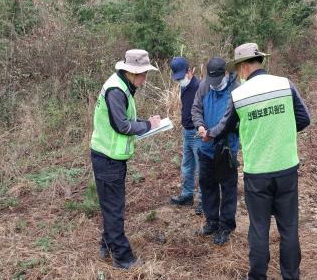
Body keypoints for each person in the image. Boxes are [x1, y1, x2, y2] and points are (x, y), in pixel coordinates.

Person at [205, 43, 310, 279]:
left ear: (243, 67)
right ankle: (291, 276)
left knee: (259, 229)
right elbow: (304, 118)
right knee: (289, 228)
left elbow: (224, 128)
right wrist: (281, 132)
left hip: (257, 174)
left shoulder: (239, 95)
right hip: (286, 169)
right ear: (259, 61)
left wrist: (209, 133)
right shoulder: (285, 84)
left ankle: (257, 276)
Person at [90, 49, 161, 269]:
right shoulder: (116, 90)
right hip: (107, 158)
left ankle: (107, 245)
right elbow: (121, 125)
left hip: (111, 157)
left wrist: (145, 122)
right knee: (114, 209)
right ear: (131, 71)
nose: (145, 77)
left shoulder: (122, 86)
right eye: (143, 73)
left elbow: (125, 119)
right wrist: (147, 126)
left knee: (112, 206)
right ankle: (123, 257)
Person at [192, 57, 240, 245]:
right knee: (207, 184)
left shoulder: (235, 90)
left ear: (226, 74)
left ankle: (226, 226)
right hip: (206, 148)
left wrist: (211, 133)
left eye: (217, 81)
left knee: (228, 188)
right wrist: (200, 126)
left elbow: (228, 120)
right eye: (210, 80)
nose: (213, 85)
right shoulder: (204, 86)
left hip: (226, 147)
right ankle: (212, 220)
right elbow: (195, 109)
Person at [169, 56, 203, 215]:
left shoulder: (199, 86)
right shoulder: (184, 86)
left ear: (190, 71)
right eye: (177, 78)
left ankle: (204, 200)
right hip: (186, 131)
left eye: (182, 77)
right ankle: (187, 194)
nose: (180, 81)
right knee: (187, 165)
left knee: (201, 168)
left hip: (197, 133)